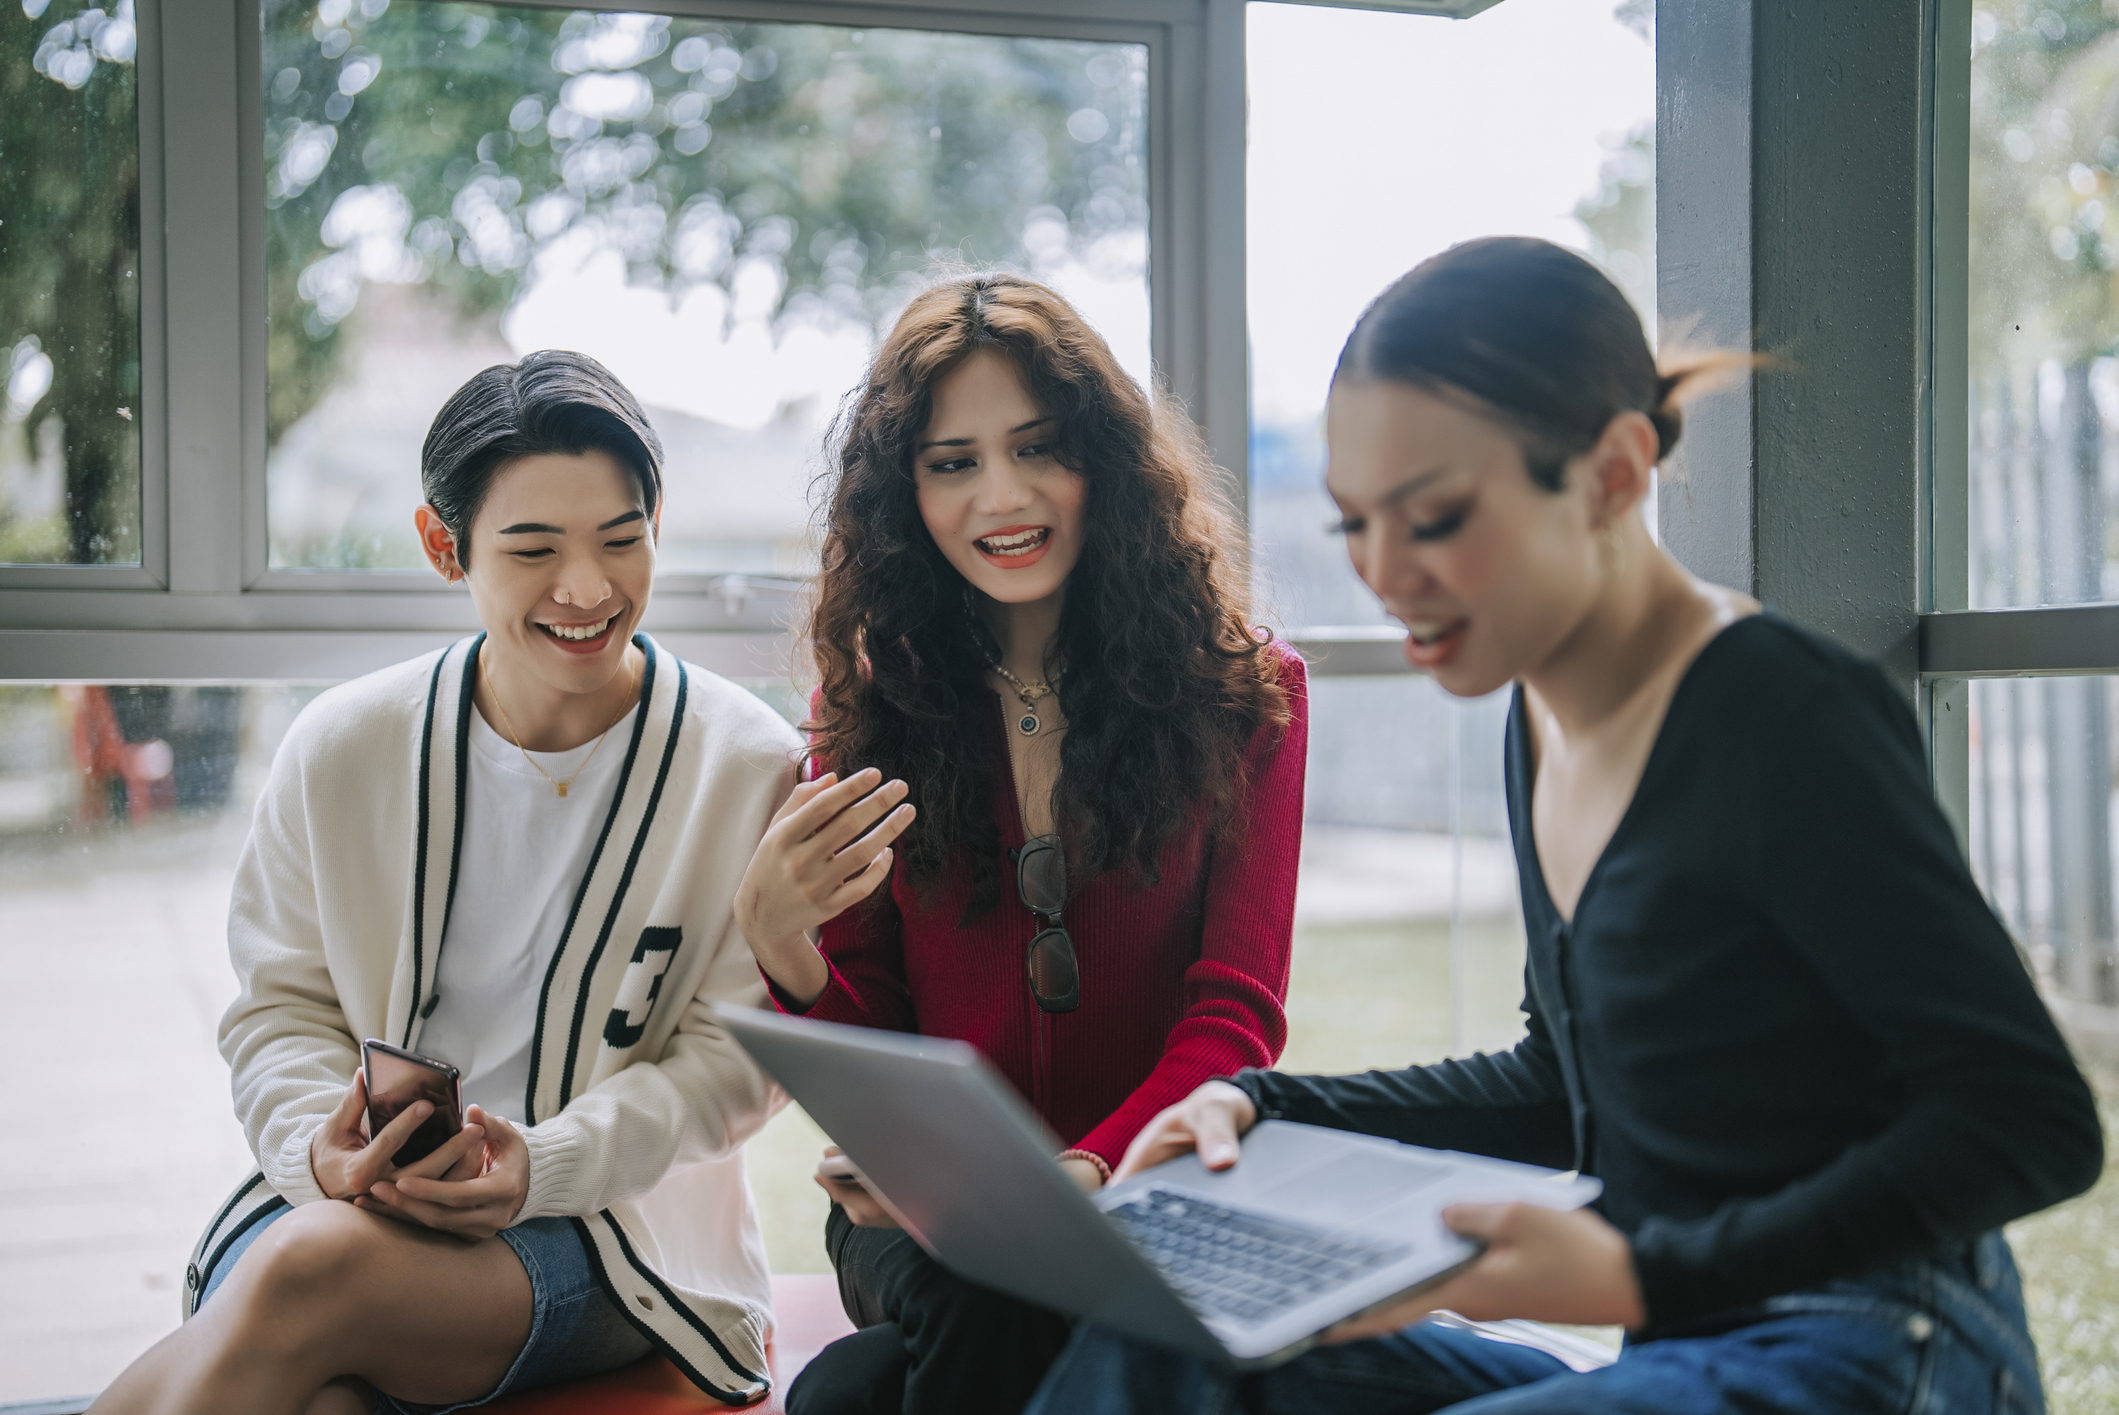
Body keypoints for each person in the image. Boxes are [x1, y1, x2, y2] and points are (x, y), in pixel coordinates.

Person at [1022, 237, 2106, 1415]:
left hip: (1884, 1341)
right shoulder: (1536, 716)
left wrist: (1642, 1269)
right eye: (1353, 526)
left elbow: (2029, 1120)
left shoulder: (1779, 715)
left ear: (1612, 473)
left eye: (1431, 518)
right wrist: (1262, 1101)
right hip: (1680, 1346)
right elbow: (1560, 1084)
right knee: (1166, 1342)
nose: (1384, 573)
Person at [91, 352, 801, 1415]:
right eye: (533, 548)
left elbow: (734, 1067)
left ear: (659, 519)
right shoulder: (341, 746)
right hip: (338, 1204)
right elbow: (281, 1010)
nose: (586, 588)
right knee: (327, 1387)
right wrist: (316, 1146)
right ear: (442, 544)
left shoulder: (745, 766)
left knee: (302, 1276)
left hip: (610, 1234)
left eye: (620, 537)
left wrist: (543, 1163)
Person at [730, 273, 1309, 1415]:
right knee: (978, 1283)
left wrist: (1084, 1172)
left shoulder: (1245, 693)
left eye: (1039, 448)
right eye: (953, 462)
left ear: (1106, 461)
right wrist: (779, 943)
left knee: (849, 1396)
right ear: (905, 492)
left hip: (1156, 1185)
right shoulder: (864, 707)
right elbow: (876, 1046)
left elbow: (1235, 1017)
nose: (1003, 495)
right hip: (923, 1223)